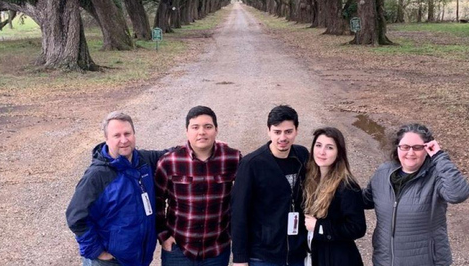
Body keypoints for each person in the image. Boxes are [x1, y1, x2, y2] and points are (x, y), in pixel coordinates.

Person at [66, 111, 166, 266]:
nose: (124, 140)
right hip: (111, 261)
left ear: (134, 134)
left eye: (127, 133)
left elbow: (175, 154)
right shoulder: (97, 175)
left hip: (139, 259)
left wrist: (211, 144)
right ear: (106, 139)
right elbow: (76, 217)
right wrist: (97, 252)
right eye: (117, 135)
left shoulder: (145, 161)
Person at [363, 123, 469, 266]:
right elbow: (365, 200)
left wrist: (439, 157)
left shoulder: (436, 176)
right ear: (398, 148)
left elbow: (458, 194)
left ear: (427, 149)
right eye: (405, 147)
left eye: (418, 147)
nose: (411, 153)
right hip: (384, 260)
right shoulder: (384, 172)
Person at [155, 106, 242, 266]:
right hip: (178, 250)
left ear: (216, 130)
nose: (202, 132)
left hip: (217, 250)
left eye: (208, 127)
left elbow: (245, 195)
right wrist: (164, 236)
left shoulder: (233, 158)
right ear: (187, 131)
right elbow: (157, 201)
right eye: (195, 127)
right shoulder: (169, 162)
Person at [231, 105, 309, 266]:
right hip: (262, 255)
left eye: (288, 131)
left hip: (296, 253)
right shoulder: (251, 164)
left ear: (296, 130)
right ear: (268, 131)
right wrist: (240, 258)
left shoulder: (302, 156)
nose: (283, 137)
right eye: (277, 132)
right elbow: (239, 212)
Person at [302, 127, 366, 266]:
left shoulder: (347, 186)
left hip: (339, 259)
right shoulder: (310, 180)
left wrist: (319, 227)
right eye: (318, 145)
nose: (322, 152)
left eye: (329, 147)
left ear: (339, 153)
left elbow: (357, 227)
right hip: (315, 256)